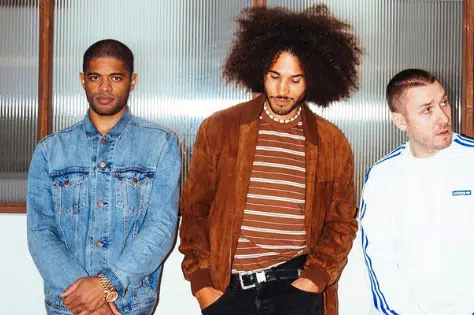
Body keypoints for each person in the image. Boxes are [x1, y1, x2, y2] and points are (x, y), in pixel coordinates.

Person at [178, 4, 362, 315]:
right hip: (228, 288)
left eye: (295, 79)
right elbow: (195, 211)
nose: (281, 89)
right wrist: (202, 285)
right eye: (274, 75)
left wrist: (313, 282)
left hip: (295, 285)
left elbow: (341, 222)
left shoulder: (332, 142)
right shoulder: (220, 129)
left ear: (312, 79)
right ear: (259, 71)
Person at [27, 39, 181, 315]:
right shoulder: (50, 150)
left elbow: (162, 226)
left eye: (116, 78)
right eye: (95, 77)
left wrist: (106, 285)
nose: (105, 88)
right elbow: (41, 232)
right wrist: (87, 300)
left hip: (129, 305)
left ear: (132, 81)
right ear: (82, 80)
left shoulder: (160, 145)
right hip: (68, 306)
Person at [360, 69, 474, 315]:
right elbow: (379, 259)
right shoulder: (382, 176)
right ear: (401, 121)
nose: (443, 117)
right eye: (427, 110)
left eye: (444, 102)